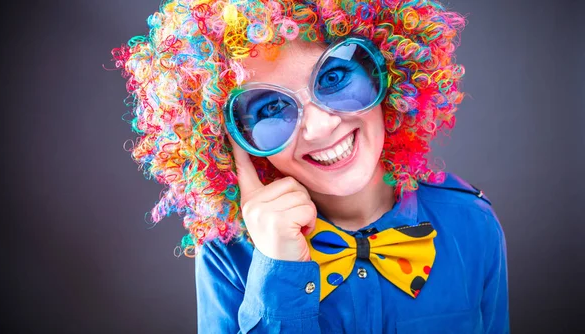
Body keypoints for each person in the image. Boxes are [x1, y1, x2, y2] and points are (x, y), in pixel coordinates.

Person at [111, 0, 509, 332]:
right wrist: (278, 268)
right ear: (234, 139)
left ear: (385, 70)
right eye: (270, 108)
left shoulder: (471, 224)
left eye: (334, 76)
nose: (319, 127)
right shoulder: (227, 256)